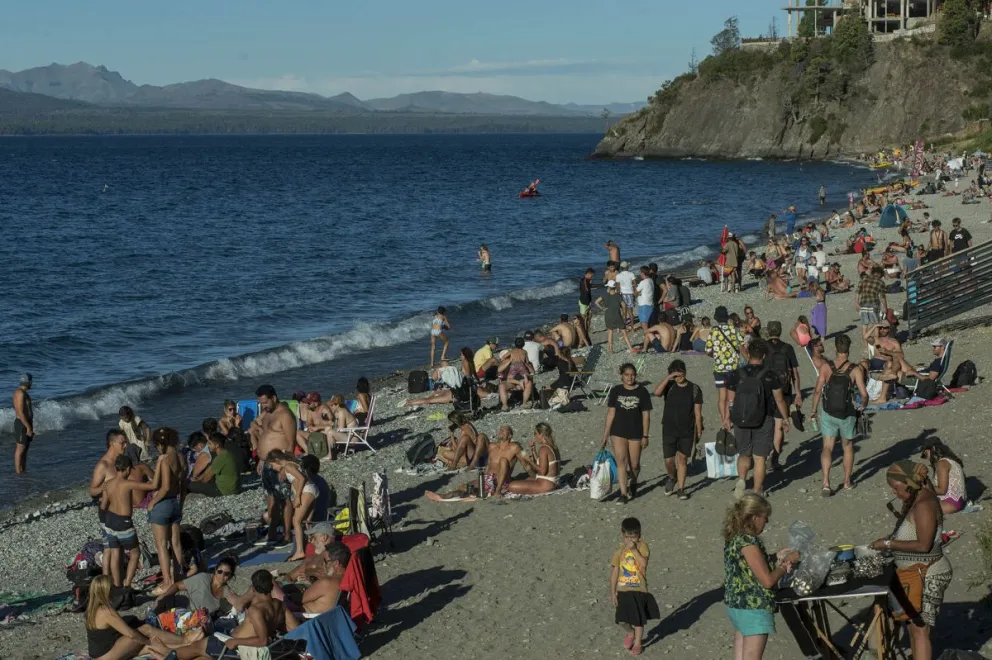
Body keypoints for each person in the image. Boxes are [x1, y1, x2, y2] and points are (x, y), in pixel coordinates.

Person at [868, 462, 952, 659]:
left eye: (895, 488)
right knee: (913, 627)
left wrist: (889, 544)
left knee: (919, 630)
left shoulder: (924, 505)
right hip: (915, 572)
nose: (894, 492)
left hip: (927, 573)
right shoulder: (918, 498)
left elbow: (924, 545)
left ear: (909, 483)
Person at [723, 493, 800, 660]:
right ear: (754, 517)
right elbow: (767, 581)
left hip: (737, 606)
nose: (767, 522)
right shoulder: (749, 543)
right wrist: (785, 565)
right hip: (753, 608)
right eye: (765, 517)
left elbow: (747, 566)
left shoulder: (735, 538)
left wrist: (774, 556)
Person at [170, 570, 299, 659]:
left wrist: (235, 641)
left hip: (236, 650)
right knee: (200, 653)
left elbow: (262, 640)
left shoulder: (256, 610)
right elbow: (295, 628)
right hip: (239, 645)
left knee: (197, 646)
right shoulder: (280, 604)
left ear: (253, 589)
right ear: (272, 587)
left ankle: (169, 657)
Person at [725, 339, 790, 499]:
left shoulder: (737, 373)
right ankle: (757, 490)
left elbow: (730, 400)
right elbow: (779, 399)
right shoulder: (770, 374)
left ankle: (741, 479)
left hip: (741, 419)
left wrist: (727, 417)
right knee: (759, 457)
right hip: (764, 419)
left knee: (744, 454)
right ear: (764, 355)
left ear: (748, 353)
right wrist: (786, 417)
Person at [809, 335, 868, 497]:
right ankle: (847, 482)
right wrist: (863, 406)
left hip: (828, 412)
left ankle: (826, 483)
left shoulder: (826, 367)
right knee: (847, 447)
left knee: (827, 447)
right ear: (849, 349)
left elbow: (817, 391)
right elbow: (864, 394)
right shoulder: (855, 370)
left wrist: (813, 410)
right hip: (847, 413)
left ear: (836, 348)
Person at [85, 575, 194, 660]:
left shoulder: (91, 609)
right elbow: (131, 635)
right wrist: (148, 640)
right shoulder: (106, 611)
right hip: (107, 655)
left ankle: (186, 646)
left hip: (100, 655)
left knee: (146, 647)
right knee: (146, 630)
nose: (114, 589)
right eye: (112, 587)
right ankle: (185, 640)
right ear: (106, 590)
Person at [101, 455, 160, 588]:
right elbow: (154, 484)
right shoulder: (127, 483)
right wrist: (160, 463)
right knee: (135, 553)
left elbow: (103, 505)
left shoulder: (108, 483)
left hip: (110, 520)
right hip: (123, 522)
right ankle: (127, 583)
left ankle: (117, 584)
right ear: (128, 469)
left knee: (115, 553)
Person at [602, 363, 652, 503]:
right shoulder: (616, 391)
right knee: (621, 462)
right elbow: (611, 413)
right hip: (618, 431)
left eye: (632, 374)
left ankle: (634, 482)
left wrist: (645, 435)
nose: (629, 377)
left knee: (634, 464)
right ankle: (623, 494)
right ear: (621, 376)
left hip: (636, 432)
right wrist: (605, 434)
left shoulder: (642, 391)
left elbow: (646, 415)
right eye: (626, 375)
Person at [609, 517, 659, 657]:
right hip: (623, 589)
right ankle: (630, 633)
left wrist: (635, 550)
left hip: (638, 589)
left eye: (633, 537)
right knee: (621, 619)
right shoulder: (619, 551)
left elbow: (643, 564)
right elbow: (614, 572)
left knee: (638, 619)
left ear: (639, 536)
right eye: (627, 537)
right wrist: (613, 592)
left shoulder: (642, 546)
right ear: (622, 536)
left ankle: (638, 643)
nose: (630, 540)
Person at [653, 361, 703, 499]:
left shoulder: (695, 389)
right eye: (674, 373)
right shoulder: (669, 386)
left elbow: (698, 413)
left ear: (685, 371)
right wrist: (668, 378)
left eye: (679, 372)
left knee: (682, 460)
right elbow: (656, 393)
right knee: (669, 461)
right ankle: (672, 477)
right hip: (669, 429)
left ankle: (681, 488)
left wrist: (698, 431)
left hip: (687, 430)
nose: (677, 375)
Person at [147, 428, 186, 593]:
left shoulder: (164, 460)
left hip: (162, 504)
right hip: (175, 503)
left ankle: (167, 582)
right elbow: (182, 484)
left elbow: (164, 487)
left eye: (156, 445)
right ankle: (178, 577)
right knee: (176, 544)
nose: (157, 449)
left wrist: (152, 502)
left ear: (161, 444)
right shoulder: (180, 457)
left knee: (161, 545)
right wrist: (181, 503)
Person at [153, 556, 251, 617]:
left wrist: (251, 593)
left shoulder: (226, 590)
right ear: (215, 569)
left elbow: (238, 603)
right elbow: (177, 586)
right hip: (178, 608)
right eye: (220, 571)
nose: (222, 576)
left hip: (194, 619)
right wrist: (166, 596)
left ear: (230, 577)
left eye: (226, 574)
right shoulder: (203, 578)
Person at [265, 450, 317, 561]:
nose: (273, 468)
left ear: (277, 461)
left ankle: (300, 551)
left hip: (306, 491)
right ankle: (312, 547)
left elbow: (302, 479)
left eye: (272, 465)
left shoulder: (288, 466)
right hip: (311, 489)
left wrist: (298, 496)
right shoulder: (291, 464)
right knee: (307, 522)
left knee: (296, 521)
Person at [765, 321, 801, 472]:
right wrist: (798, 392)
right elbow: (795, 372)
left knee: (766, 424)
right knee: (779, 426)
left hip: (766, 391)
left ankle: (765, 454)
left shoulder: (762, 347)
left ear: (768, 331)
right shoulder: (788, 348)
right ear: (780, 331)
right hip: (784, 391)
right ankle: (775, 459)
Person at [706, 306, 746, 433]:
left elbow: (708, 351)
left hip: (719, 368)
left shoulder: (713, 331)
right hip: (733, 368)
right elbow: (741, 347)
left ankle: (724, 420)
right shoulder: (734, 330)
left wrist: (717, 356)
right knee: (731, 398)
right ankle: (731, 418)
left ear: (716, 319)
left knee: (721, 397)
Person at [404, 347, 476, 407]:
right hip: (455, 392)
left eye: (461, 355)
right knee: (431, 398)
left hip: (455, 394)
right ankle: (411, 402)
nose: (460, 356)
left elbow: (466, 379)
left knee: (429, 400)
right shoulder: (470, 363)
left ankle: (410, 402)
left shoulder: (465, 363)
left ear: (464, 355)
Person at [506, 422, 561, 495]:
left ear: (541, 434)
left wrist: (529, 460)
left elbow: (542, 471)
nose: (534, 436)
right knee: (525, 480)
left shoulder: (543, 449)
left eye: (535, 434)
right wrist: (533, 450)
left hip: (546, 484)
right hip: (553, 481)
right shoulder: (553, 447)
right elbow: (541, 462)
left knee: (511, 486)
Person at [921, 438, 967, 515]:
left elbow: (942, 490)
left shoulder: (942, 463)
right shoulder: (950, 461)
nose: (927, 458)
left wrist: (923, 487)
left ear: (933, 449)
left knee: (918, 508)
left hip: (951, 503)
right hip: (959, 501)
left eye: (925, 454)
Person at [187, 432, 240, 497]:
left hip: (225, 491)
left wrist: (196, 481)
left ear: (217, 445)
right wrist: (198, 479)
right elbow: (208, 471)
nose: (208, 446)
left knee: (191, 485)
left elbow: (206, 479)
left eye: (210, 444)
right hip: (233, 488)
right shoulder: (226, 454)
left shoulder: (219, 459)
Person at [497, 338, 535, 412]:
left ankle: (520, 402)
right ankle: (508, 404)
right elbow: (526, 361)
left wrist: (507, 358)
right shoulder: (524, 352)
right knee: (525, 376)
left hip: (514, 367)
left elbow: (503, 357)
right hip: (521, 367)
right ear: (523, 345)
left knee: (510, 378)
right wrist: (524, 363)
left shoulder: (511, 351)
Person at [598, 281, 635, 353]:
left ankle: (611, 349)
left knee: (610, 332)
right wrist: (624, 314)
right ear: (615, 287)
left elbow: (596, 302)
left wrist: (602, 308)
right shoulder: (618, 295)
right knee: (624, 331)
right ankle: (630, 348)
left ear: (608, 287)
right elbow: (624, 305)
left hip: (608, 315)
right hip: (617, 315)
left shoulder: (605, 295)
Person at [856, 266, 888, 350]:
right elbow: (882, 297)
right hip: (873, 305)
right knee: (876, 326)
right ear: (880, 274)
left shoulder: (863, 280)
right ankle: (876, 346)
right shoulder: (880, 282)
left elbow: (858, 292)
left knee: (864, 326)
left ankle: (866, 347)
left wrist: (856, 303)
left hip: (863, 305)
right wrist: (885, 307)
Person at [12, 373, 34, 474]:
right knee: (20, 447)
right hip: (22, 423)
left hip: (26, 423)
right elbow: (20, 412)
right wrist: (28, 427)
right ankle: (18, 473)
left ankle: (23, 470)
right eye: (31, 381)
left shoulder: (23, 393)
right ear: (27, 382)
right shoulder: (20, 393)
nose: (32, 383)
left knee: (25, 448)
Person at [615, 261, 638, 327]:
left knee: (624, 312)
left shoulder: (618, 275)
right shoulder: (631, 274)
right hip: (630, 294)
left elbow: (618, 286)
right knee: (630, 312)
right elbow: (635, 284)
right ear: (627, 267)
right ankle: (632, 326)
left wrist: (617, 295)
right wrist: (635, 291)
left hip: (622, 294)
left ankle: (624, 325)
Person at [635, 266, 655, 334]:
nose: (640, 274)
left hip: (644, 304)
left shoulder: (643, 282)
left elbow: (635, 292)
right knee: (649, 323)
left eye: (641, 273)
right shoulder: (651, 280)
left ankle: (648, 338)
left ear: (643, 273)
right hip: (650, 303)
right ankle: (649, 337)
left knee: (644, 323)